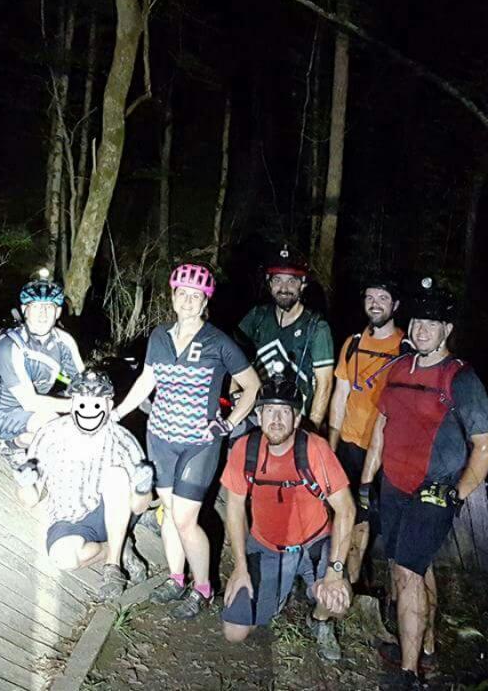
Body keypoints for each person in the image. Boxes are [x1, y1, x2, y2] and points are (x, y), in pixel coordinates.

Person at [360, 278, 488, 686]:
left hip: (432, 492)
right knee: (412, 568)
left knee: (406, 571)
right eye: (418, 320)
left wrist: (457, 493)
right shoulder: (400, 368)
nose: (421, 329)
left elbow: (487, 444)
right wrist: (369, 484)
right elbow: (382, 428)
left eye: (432, 323)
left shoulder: (461, 378)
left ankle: (408, 673)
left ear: (447, 330)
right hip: (394, 486)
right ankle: (424, 645)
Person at [115, 263, 261, 619]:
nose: (189, 301)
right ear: (173, 296)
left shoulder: (218, 342)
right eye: (183, 294)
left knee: (184, 518)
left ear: (205, 301)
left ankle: (203, 587)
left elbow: (252, 386)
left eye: (196, 296)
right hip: (160, 438)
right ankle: (176, 579)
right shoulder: (159, 337)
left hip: (200, 443)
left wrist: (227, 424)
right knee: (168, 515)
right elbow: (146, 382)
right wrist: (117, 413)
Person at [221, 377, 355, 661]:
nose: (277, 418)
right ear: (258, 415)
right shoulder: (245, 449)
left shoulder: (315, 449)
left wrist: (335, 571)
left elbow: (346, 508)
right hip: (267, 544)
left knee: (337, 602)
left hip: (313, 542)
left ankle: (319, 619)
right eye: (269, 410)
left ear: (297, 417)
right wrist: (240, 568)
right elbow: (233, 509)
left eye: (286, 411)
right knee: (234, 631)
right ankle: (280, 590)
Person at [29, 370, 153, 600]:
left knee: (116, 475)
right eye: (82, 402)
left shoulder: (122, 438)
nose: (88, 410)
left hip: (113, 509)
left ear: (108, 404)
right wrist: (25, 482)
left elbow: (138, 505)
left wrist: (143, 488)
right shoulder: (50, 434)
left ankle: (113, 566)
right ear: (72, 402)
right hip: (70, 518)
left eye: (96, 403)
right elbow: (30, 498)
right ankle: (118, 544)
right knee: (63, 558)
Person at [328, 273, 406, 584]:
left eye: (383, 298)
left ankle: (352, 584)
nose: (375, 304)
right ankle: (340, 581)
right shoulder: (353, 344)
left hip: (385, 452)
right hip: (348, 443)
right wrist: (331, 446)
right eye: (370, 298)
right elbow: (339, 396)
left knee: (366, 520)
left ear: (396, 305)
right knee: (345, 514)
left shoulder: (406, 347)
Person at [0, 271, 84, 505]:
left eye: (49, 307)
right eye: (35, 306)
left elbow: (82, 382)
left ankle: (17, 445)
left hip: (35, 413)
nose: (42, 313)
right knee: (53, 420)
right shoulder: (11, 345)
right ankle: (25, 451)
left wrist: (92, 399)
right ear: (24, 309)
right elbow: (30, 403)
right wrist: (77, 406)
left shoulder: (63, 341)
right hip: (3, 413)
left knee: (31, 499)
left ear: (58, 311)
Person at [236, 245, 334, 431]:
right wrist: (235, 396)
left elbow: (325, 383)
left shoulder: (317, 328)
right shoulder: (257, 316)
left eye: (292, 281)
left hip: (294, 420)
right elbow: (235, 359)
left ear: (303, 284)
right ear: (269, 283)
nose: (284, 288)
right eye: (278, 280)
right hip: (256, 416)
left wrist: (311, 427)